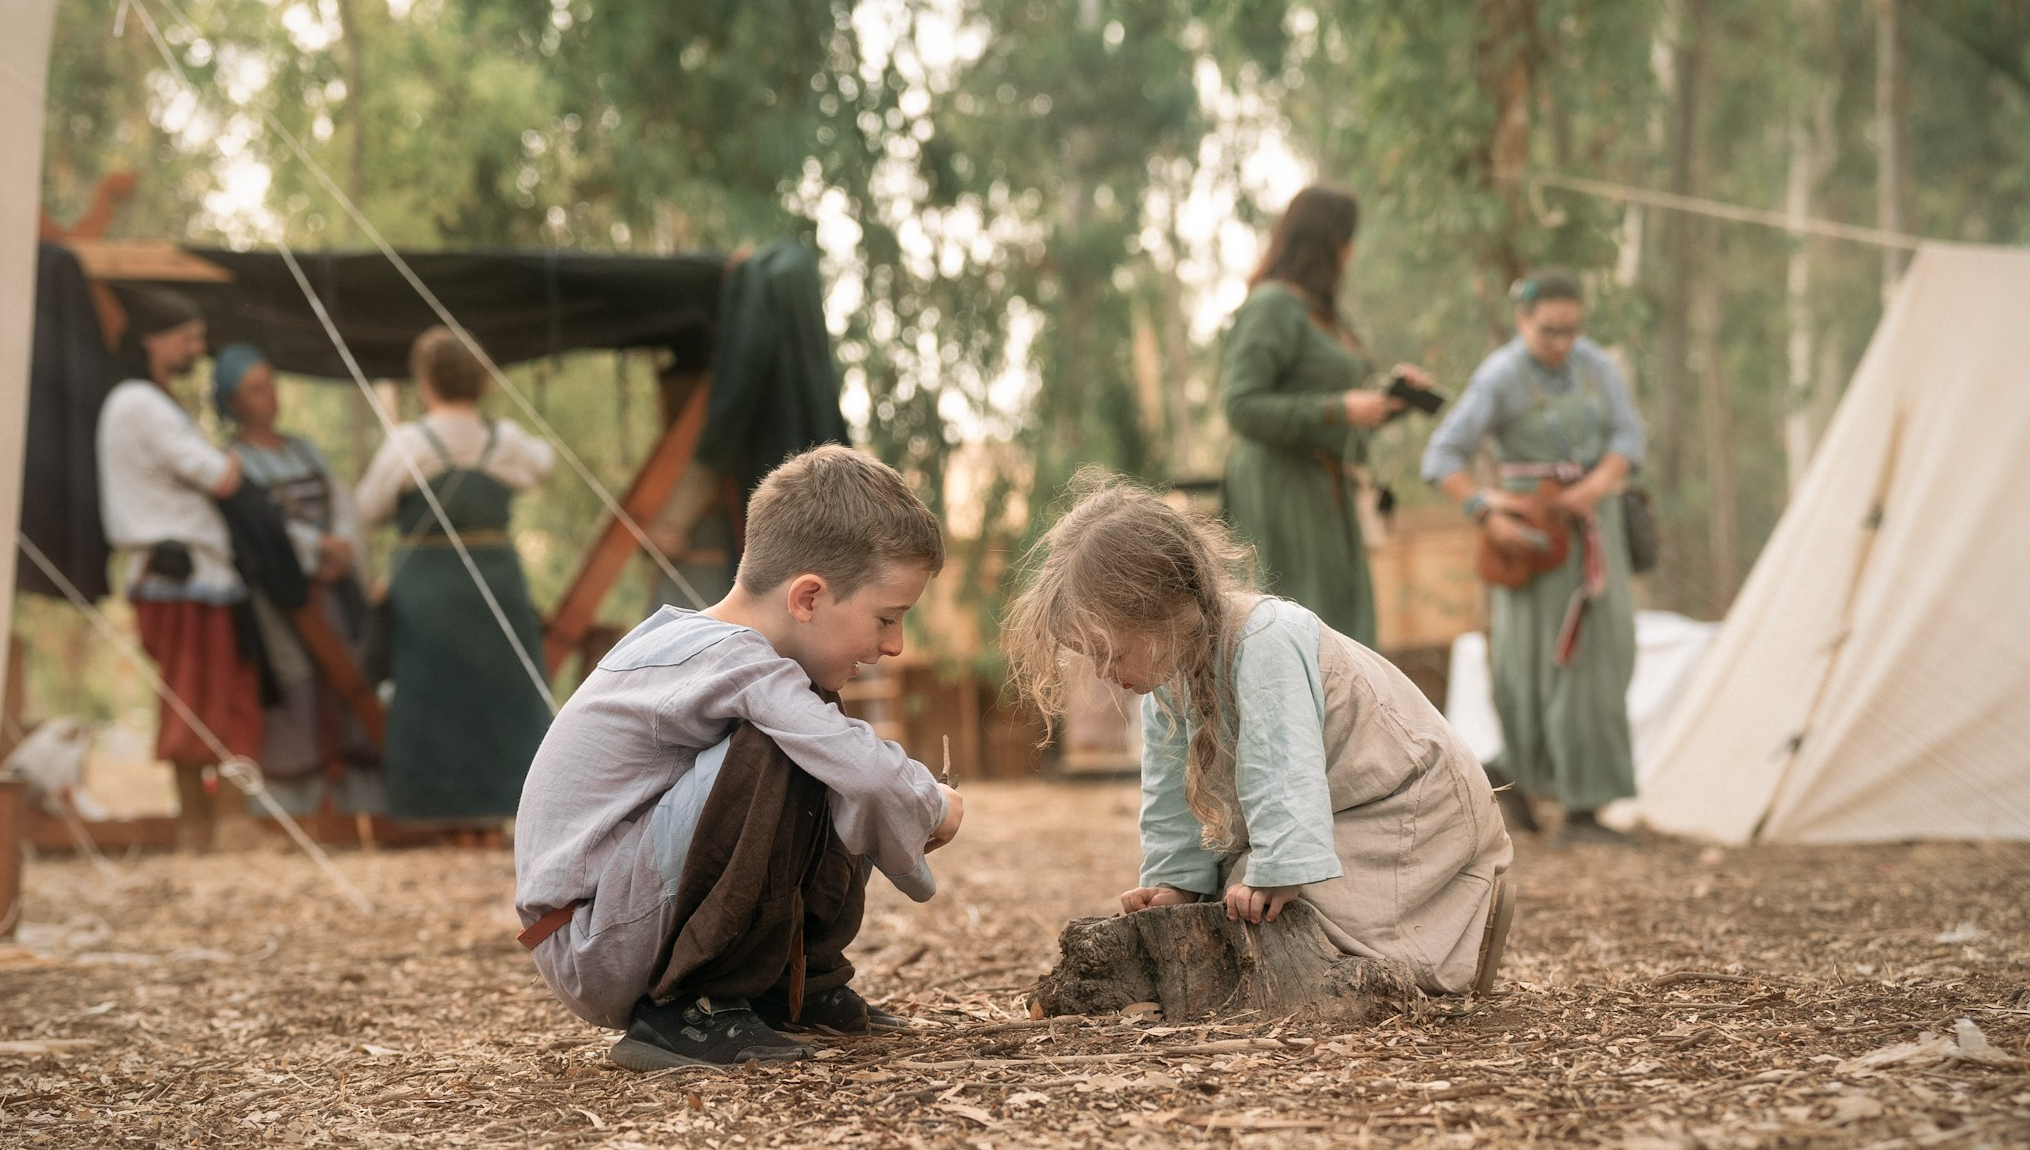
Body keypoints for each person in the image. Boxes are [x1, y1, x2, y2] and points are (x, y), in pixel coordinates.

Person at [512, 446, 964, 1071]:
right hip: (592, 937)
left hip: (620, 918)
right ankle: (687, 1006)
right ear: (807, 597)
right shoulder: (732, 661)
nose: (895, 644)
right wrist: (932, 803)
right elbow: (863, 770)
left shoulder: (718, 650)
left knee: (816, 731)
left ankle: (788, 986)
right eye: (887, 618)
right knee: (800, 739)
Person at [1003, 477, 1514, 997]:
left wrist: (1278, 868)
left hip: (1411, 811)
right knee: (1230, 898)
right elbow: (1170, 801)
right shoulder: (1167, 682)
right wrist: (1174, 883)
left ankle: (1464, 932)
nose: (1104, 672)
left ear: (1159, 610)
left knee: (1264, 898)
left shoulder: (1266, 638)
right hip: (1336, 820)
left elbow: (1282, 765)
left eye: (1111, 652)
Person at [1422, 269, 1647, 842]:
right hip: (1534, 543)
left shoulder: (1596, 366)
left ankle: (1584, 803)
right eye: (1549, 331)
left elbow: (1628, 437)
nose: (1562, 342)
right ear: (1522, 321)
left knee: (1602, 657)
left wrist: (1596, 486)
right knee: (1533, 666)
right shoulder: (1501, 375)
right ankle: (1519, 782)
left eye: (1572, 329)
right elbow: (1443, 455)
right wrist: (1486, 511)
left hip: (1595, 534)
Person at [1219, 184, 1438, 647]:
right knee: (1298, 629)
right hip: (1282, 491)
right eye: (1346, 239)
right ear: (1324, 242)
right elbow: (1240, 404)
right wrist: (1338, 409)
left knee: (1341, 631)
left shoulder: (1323, 314)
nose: (1351, 252)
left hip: (1326, 488)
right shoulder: (1271, 306)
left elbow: (1341, 408)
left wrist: (1389, 401)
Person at [355, 328, 556, 825]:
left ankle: (432, 805)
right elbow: (545, 463)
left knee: (430, 693)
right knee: (502, 692)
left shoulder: (410, 442)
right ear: (480, 379)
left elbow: (367, 508)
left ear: (425, 381)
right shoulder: (504, 439)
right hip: (496, 585)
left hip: (426, 590)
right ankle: (515, 798)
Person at [95, 288, 255, 852]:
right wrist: (234, 458)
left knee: (215, 695)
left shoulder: (149, 402)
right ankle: (207, 825)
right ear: (153, 341)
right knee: (196, 698)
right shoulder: (140, 403)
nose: (197, 349)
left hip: (196, 576)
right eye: (188, 338)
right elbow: (219, 476)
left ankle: (215, 825)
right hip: (180, 577)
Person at [214, 344, 385, 821]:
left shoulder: (304, 449)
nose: (269, 396)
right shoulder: (235, 460)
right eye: (255, 389)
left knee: (349, 677)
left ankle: (355, 802)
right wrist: (315, 549)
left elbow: (340, 501)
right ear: (233, 401)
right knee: (297, 685)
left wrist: (343, 546)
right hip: (281, 597)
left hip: (334, 589)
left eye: (270, 384)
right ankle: (293, 805)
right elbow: (258, 529)